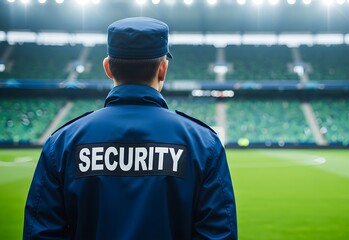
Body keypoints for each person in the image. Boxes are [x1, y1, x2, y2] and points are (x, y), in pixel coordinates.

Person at [23, 17, 237, 240]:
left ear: (108, 68)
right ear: (163, 69)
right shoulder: (204, 143)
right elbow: (219, 234)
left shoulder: (62, 144)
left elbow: (41, 234)